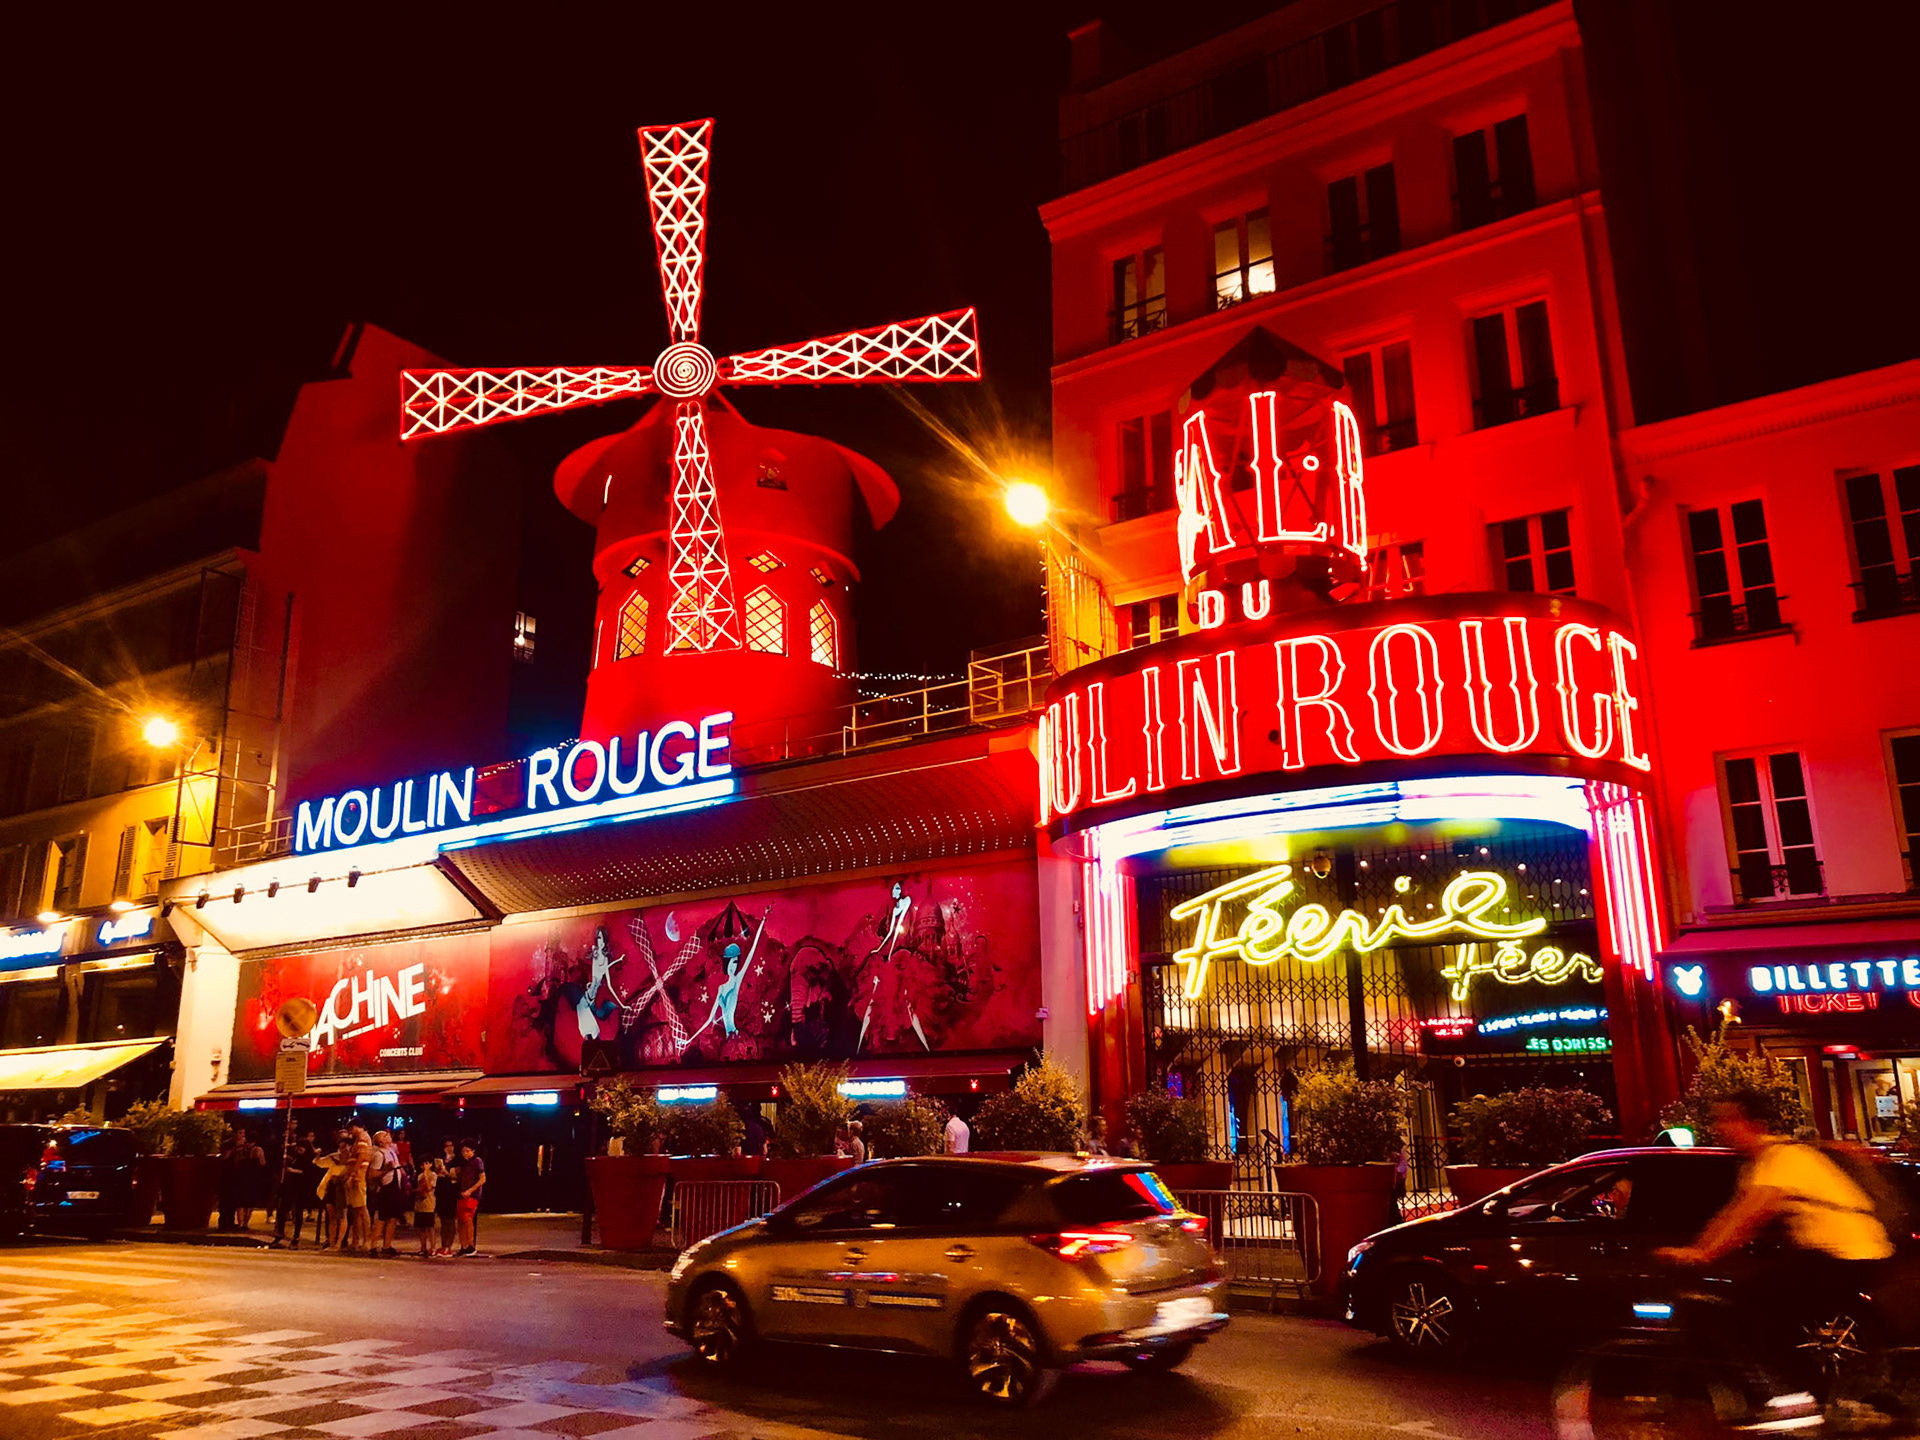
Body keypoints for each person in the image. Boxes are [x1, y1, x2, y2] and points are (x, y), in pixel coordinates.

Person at [1656, 1091, 1894, 1398]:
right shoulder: (1759, 1164)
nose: (1718, 1128)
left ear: (1751, 1123)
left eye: (1727, 1119)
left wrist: (1702, 1254)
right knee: (1771, 1310)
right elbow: (1731, 1213)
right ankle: (1819, 1395)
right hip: (1836, 1251)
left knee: (1755, 1312)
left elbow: (1751, 1213)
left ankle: (1795, 1399)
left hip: (1848, 1251)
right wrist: (1698, 1248)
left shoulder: (1782, 1157)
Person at [273, 1129, 314, 1248]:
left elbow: (308, 1173)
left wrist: (293, 1171)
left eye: (301, 1148)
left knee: (298, 1212)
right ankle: (280, 1233)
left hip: (301, 1188)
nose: (299, 1150)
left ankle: (296, 1237)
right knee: (282, 1210)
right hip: (290, 1187)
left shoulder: (308, 1158)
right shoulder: (295, 1156)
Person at [369, 1129, 405, 1257]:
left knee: (392, 1218)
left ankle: (387, 1245)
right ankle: (372, 1246)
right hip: (387, 1188)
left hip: (396, 1188)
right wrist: (386, 1170)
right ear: (380, 1141)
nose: (388, 1135)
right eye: (385, 1135)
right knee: (382, 1218)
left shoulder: (391, 1151)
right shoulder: (379, 1155)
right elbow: (373, 1173)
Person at [227, 1126, 268, 1230]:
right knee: (249, 1203)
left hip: (241, 1178)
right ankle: (245, 1223)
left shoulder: (240, 1150)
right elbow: (263, 1163)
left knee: (240, 1202)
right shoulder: (258, 1150)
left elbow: (235, 1164)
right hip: (253, 1178)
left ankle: (240, 1223)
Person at [454, 1140, 486, 1256]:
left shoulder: (477, 1161)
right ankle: (463, 1246)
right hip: (462, 1193)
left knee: (467, 1218)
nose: (465, 1153)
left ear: (473, 1151)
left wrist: (470, 1191)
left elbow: (482, 1179)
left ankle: (471, 1245)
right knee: (460, 1220)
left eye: (467, 1151)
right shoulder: (464, 1164)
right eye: (463, 1151)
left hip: (472, 1195)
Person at [435, 1140, 460, 1255]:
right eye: (446, 1146)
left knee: (450, 1220)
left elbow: (457, 1176)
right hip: (441, 1191)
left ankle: (448, 1245)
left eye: (451, 1145)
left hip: (451, 1191)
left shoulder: (457, 1160)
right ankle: (443, 1244)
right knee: (443, 1220)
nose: (449, 1148)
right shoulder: (442, 1159)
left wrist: (446, 1173)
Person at [413, 1160, 441, 1257]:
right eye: (422, 1164)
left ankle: (432, 1247)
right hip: (419, 1203)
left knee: (429, 1227)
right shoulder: (419, 1176)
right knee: (421, 1227)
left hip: (429, 1203)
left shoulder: (433, 1175)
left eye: (427, 1163)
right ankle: (423, 1247)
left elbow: (429, 1187)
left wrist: (426, 1174)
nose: (424, 1166)